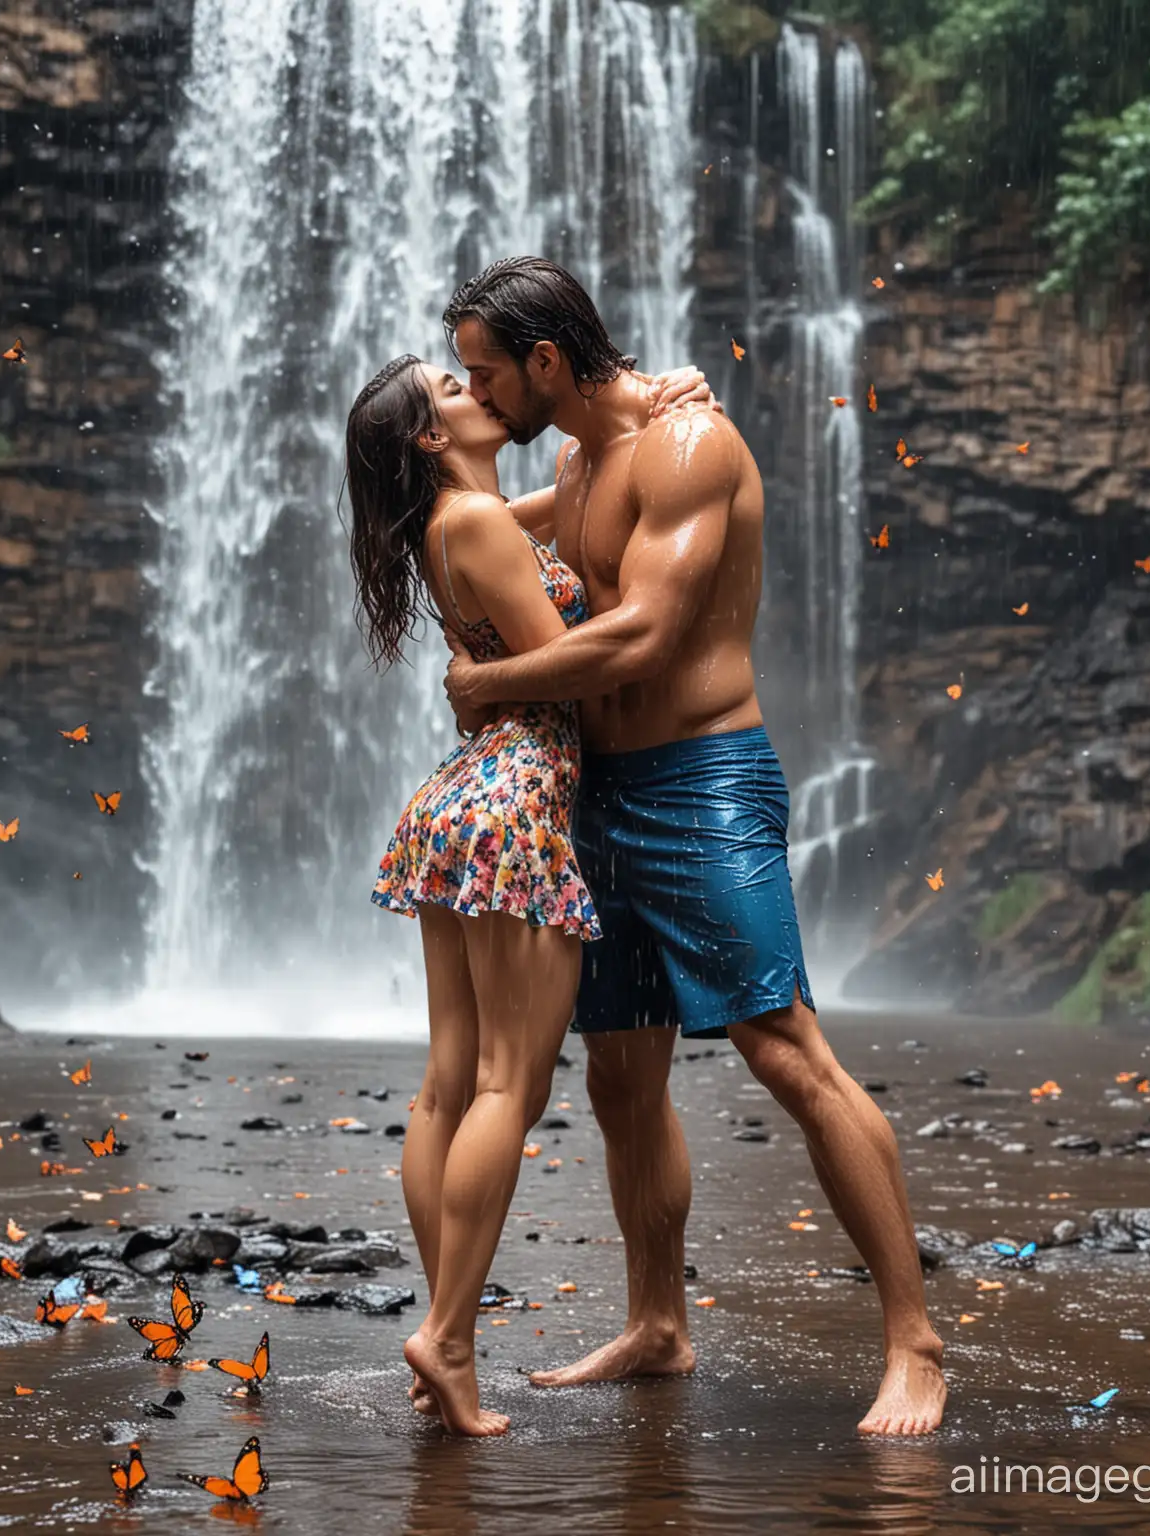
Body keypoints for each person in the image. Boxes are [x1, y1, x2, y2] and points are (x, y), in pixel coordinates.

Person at [441, 256, 948, 1437]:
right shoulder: (572, 462)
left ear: (548, 362)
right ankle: (659, 1325)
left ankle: (914, 1340)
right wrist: (415, 469)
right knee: (621, 1076)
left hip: (704, 781)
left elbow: (642, 636)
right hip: (600, 791)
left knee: (784, 1045)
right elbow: (470, 526)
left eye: (484, 374)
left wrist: (492, 682)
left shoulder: (686, 449)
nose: (478, 395)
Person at [343, 348, 716, 1436]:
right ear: (428, 438)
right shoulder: (486, 528)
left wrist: (654, 408)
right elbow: (575, 664)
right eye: (455, 390)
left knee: (445, 1086)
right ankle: (449, 1339)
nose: (482, 391)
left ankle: (441, 1317)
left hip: (455, 804)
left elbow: (584, 488)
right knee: (511, 1084)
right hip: (517, 802)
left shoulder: (453, 524)